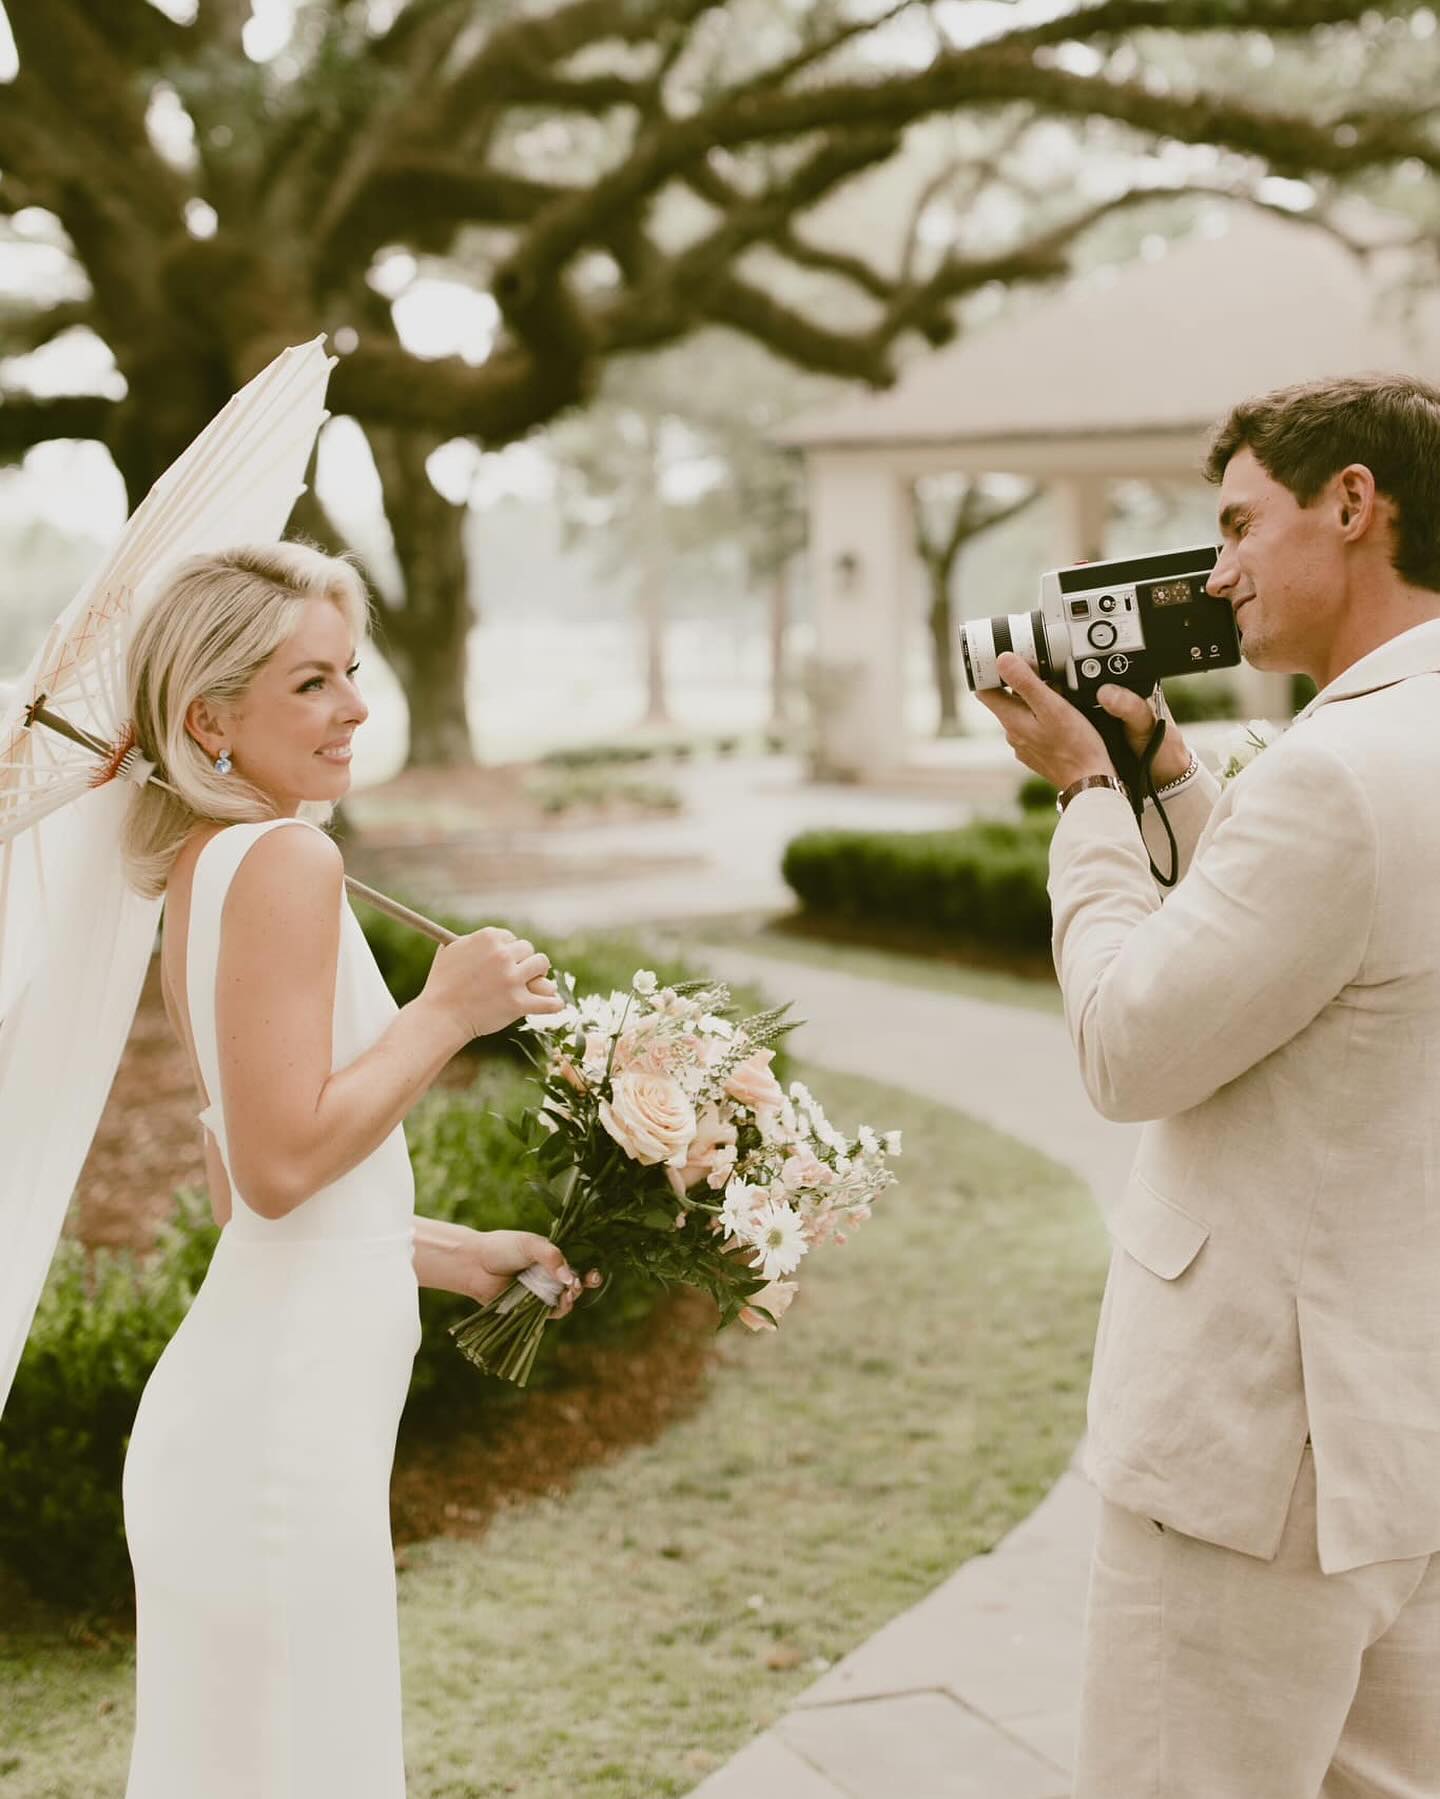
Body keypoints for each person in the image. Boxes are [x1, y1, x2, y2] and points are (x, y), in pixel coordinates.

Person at [977, 372, 1440, 1798]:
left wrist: (1084, 797)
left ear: (1352, 505)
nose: (1218, 570)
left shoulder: (1338, 769)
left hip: (1258, 1447)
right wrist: (1173, 779)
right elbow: (1325, 953)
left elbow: (1130, 1042)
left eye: (1240, 524)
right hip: (1406, 1432)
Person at [118, 542, 579, 1798]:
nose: (356, 708)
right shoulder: (285, 862)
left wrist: (448, 1254)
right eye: (310, 683)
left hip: (258, 1413)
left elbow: (243, 1194)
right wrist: (448, 1012)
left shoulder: (204, 870)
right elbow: (273, 1170)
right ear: (210, 719)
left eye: (352, 674)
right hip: (275, 1437)